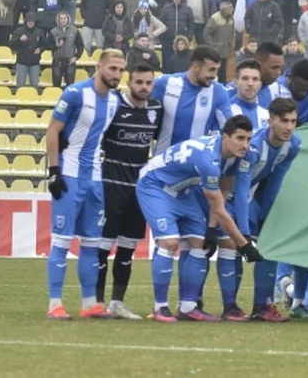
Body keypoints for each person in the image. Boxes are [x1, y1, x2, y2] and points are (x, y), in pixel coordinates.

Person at [136, 116, 263, 322]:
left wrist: (211, 228)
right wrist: (244, 245)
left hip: (184, 191)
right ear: (225, 137)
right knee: (170, 242)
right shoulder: (209, 160)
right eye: (240, 138)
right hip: (155, 185)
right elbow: (219, 209)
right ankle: (160, 307)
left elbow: (223, 190)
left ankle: (188, 307)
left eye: (248, 139)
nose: (245, 145)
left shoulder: (233, 155)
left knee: (200, 244)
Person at [45, 49, 126, 320]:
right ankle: (55, 304)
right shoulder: (75, 93)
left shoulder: (114, 101)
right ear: (98, 67)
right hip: (68, 176)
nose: (117, 74)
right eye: (112, 68)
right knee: (62, 242)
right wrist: (53, 171)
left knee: (92, 243)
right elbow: (53, 129)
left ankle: (89, 304)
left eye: (121, 70)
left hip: (94, 180)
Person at [95, 63, 163, 319]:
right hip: (110, 186)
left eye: (148, 83)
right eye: (139, 82)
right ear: (129, 82)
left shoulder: (156, 109)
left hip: (138, 190)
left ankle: (117, 304)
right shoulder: (114, 105)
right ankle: (97, 304)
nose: (144, 87)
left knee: (127, 249)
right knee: (102, 248)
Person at [246, 98, 302, 322]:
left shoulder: (293, 144)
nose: (289, 127)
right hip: (233, 195)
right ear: (270, 121)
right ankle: (226, 307)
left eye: (293, 121)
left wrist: (266, 217)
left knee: (268, 247)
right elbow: (239, 185)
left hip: (254, 196)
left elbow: (276, 182)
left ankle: (262, 306)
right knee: (229, 246)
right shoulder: (254, 146)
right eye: (284, 121)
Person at [150, 46, 233, 155]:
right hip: (162, 160)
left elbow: (228, 127)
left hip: (194, 162)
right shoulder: (165, 83)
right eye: (211, 69)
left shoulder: (218, 91)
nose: (214, 75)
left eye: (217, 70)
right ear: (195, 67)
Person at [227, 60, 270, 129]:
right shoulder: (227, 111)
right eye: (245, 78)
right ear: (235, 82)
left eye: (255, 79)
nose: (250, 83)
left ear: (260, 84)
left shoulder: (267, 115)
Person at [160, 0, 194, 71]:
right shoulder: (165, 9)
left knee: (182, 63)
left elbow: (191, 25)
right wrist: (162, 37)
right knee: (167, 62)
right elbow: (161, 24)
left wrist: (188, 38)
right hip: (168, 40)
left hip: (182, 40)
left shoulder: (188, 9)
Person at [202, 2, 235, 79]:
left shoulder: (231, 18)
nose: (232, 9)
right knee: (215, 72)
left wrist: (231, 46)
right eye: (230, 8)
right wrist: (213, 47)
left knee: (223, 73)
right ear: (224, 9)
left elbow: (232, 33)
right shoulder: (215, 18)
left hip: (226, 50)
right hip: (216, 51)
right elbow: (206, 33)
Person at [12, 12, 45, 88]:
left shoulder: (39, 32)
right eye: (29, 21)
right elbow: (12, 45)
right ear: (26, 21)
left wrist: (40, 49)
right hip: (21, 62)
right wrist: (20, 40)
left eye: (32, 21)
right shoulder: (18, 31)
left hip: (34, 62)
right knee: (20, 84)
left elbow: (44, 44)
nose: (31, 23)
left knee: (35, 84)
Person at [49, 12, 83, 87]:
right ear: (58, 20)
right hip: (57, 61)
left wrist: (76, 57)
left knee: (70, 85)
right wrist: (56, 45)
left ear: (68, 19)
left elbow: (80, 46)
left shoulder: (75, 31)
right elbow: (48, 45)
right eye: (61, 18)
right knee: (56, 85)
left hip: (70, 61)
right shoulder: (53, 31)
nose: (63, 20)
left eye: (64, 18)